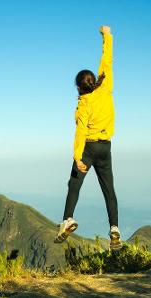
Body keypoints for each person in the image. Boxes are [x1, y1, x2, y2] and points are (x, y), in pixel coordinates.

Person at [54, 25, 121, 251]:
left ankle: (68, 219)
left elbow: (80, 132)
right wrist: (107, 35)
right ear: (93, 81)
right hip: (106, 147)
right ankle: (114, 228)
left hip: (89, 148)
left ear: (79, 87)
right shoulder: (106, 87)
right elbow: (107, 59)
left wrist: (77, 157)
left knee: (74, 183)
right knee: (108, 189)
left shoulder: (83, 105)